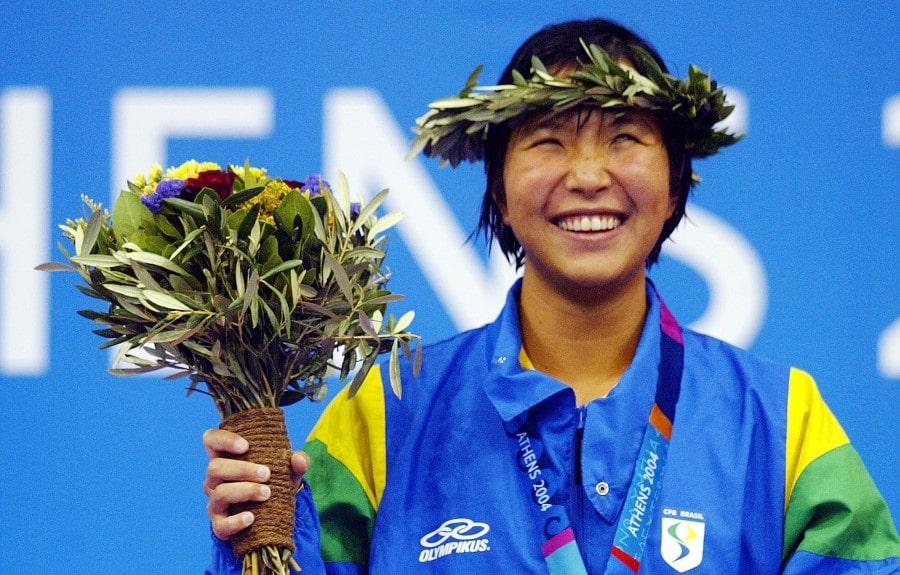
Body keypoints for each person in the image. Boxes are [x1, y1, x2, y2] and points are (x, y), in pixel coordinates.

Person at [203, 18, 900, 574]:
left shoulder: (781, 422)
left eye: (624, 136)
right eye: (549, 141)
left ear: (677, 187)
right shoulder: (386, 412)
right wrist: (249, 536)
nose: (588, 174)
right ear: (499, 192)